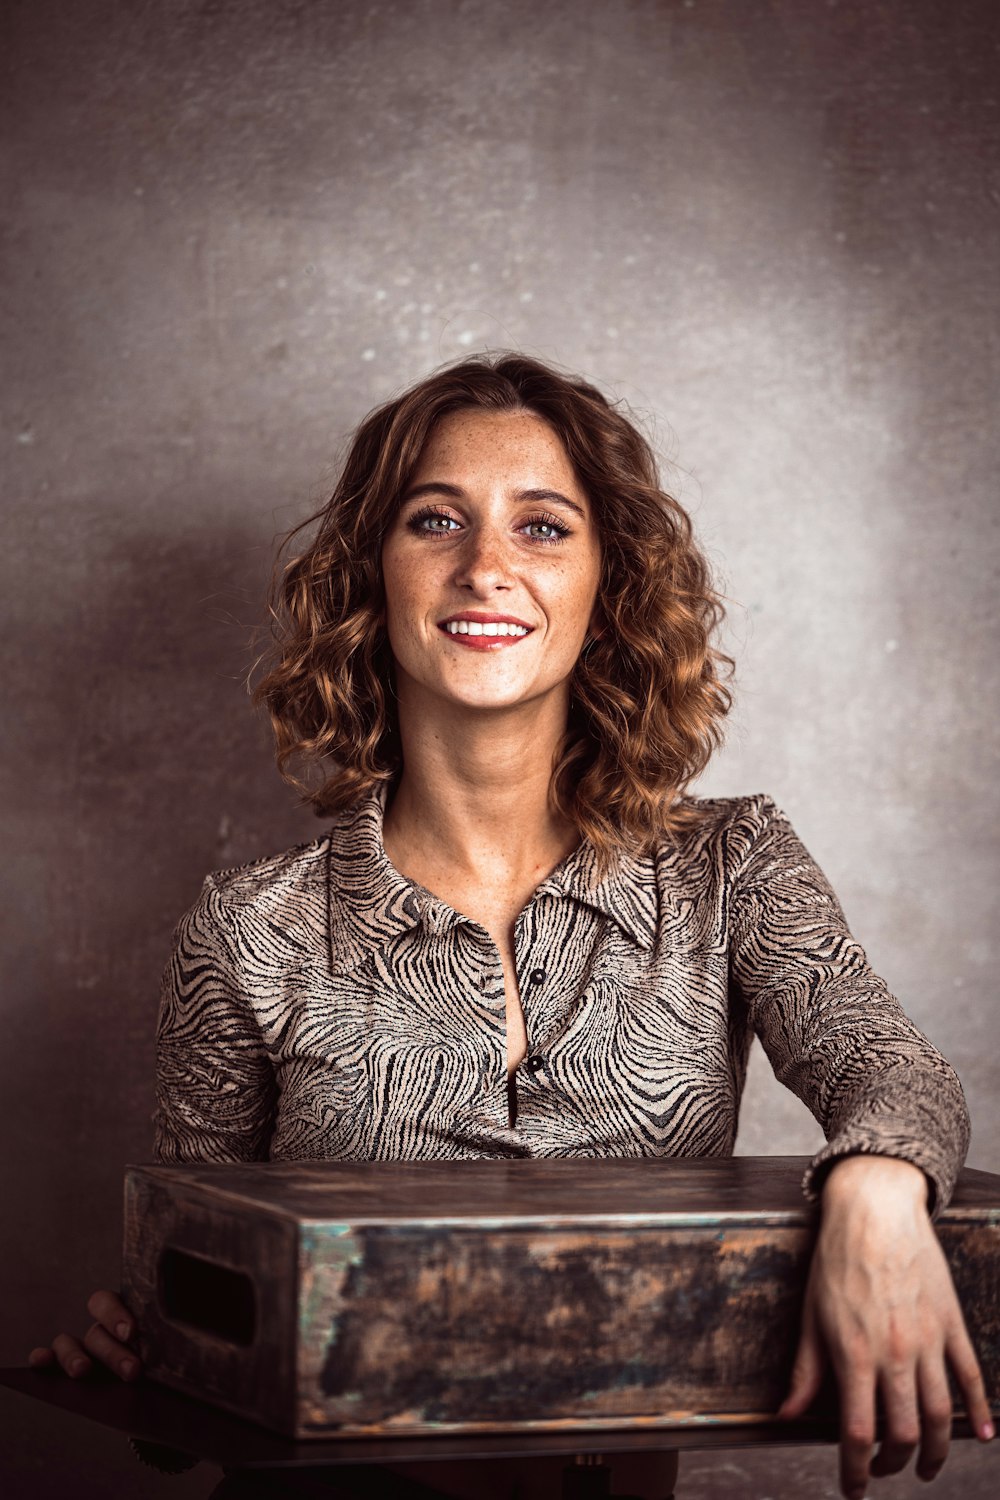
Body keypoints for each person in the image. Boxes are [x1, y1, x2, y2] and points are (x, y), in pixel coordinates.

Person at [30, 353, 994, 1500]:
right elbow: (191, 1320)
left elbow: (893, 1070)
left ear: (607, 588)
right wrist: (140, 1359)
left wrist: (877, 1189)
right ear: (370, 578)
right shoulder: (251, 930)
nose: (486, 568)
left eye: (543, 529)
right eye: (435, 520)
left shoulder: (733, 867)